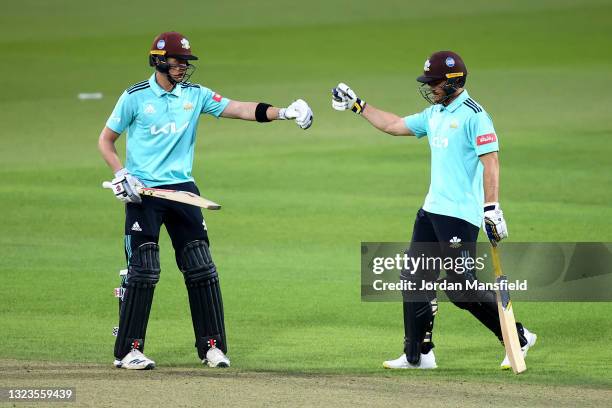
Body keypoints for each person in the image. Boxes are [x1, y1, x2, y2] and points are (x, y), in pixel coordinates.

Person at [98, 31, 313, 370]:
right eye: (177, 61)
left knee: (201, 267)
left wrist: (284, 112)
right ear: (158, 60)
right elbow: (106, 141)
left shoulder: (194, 95)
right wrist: (123, 174)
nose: (183, 66)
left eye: (186, 61)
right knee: (144, 270)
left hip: (183, 191)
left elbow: (240, 109)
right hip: (145, 194)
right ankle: (128, 351)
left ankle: (212, 347)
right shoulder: (135, 97)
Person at [331, 51, 536, 369]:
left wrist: (492, 207)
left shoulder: (474, 115)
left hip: (460, 214)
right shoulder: (434, 113)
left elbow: (490, 160)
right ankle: (418, 355)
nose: (430, 88)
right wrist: (359, 105)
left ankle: (518, 338)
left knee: (460, 289)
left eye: (435, 82)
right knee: (413, 278)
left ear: (454, 82)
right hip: (431, 210)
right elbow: (394, 125)